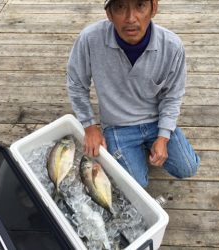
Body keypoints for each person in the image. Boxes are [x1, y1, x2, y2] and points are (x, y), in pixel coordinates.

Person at [67, 0, 200, 187]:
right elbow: (75, 84)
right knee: (136, 185)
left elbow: (172, 96)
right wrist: (89, 126)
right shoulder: (89, 39)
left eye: (140, 5)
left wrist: (163, 136)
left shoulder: (172, 46)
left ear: (154, 8)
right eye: (120, 7)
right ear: (109, 13)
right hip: (118, 126)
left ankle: (153, 144)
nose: (130, 18)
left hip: (156, 120)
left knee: (188, 167)